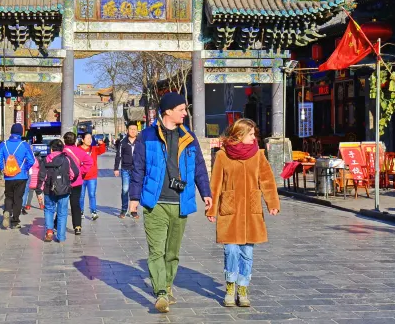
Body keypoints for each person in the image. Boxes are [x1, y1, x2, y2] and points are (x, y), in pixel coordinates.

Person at [129, 92, 212, 314]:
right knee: (156, 251)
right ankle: (161, 293)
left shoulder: (189, 136)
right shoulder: (147, 136)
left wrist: (206, 192)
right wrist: (134, 198)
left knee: (172, 252)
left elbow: (199, 167)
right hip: (155, 203)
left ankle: (166, 285)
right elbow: (138, 169)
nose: (185, 113)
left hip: (180, 202)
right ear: (168, 111)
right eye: (181, 109)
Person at [206, 118, 280, 308]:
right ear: (239, 135)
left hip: (250, 211)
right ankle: (230, 286)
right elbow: (215, 184)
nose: (254, 137)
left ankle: (243, 288)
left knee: (247, 252)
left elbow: (267, 180)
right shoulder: (222, 155)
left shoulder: (258, 155)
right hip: (229, 210)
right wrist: (211, 208)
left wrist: (272, 203)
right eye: (251, 134)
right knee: (230, 250)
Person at [35, 139, 79, 242]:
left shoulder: (46, 160)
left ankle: (49, 231)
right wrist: (68, 181)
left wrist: (39, 189)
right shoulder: (67, 159)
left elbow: (42, 176)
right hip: (64, 190)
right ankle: (61, 236)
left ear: (51, 149)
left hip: (48, 189)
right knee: (62, 212)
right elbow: (75, 173)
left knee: (49, 209)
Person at [0, 123, 35, 230]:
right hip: (21, 176)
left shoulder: (3, 144)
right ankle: (15, 221)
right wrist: (25, 169)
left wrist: (3, 168)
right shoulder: (24, 145)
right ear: (21, 133)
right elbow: (31, 160)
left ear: (11, 132)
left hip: (8, 176)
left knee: (8, 196)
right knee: (18, 198)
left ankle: (7, 211)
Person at [63, 132, 92, 235]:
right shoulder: (80, 151)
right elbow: (89, 162)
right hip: (77, 181)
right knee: (75, 204)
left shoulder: (62, 151)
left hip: (63, 182)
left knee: (62, 203)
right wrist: (81, 171)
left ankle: (57, 224)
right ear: (75, 140)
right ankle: (77, 226)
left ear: (64, 140)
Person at [114, 122, 140, 218]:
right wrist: (116, 168)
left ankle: (133, 210)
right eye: (131, 129)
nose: (133, 131)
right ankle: (124, 209)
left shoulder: (140, 142)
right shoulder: (123, 142)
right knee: (125, 189)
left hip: (137, 170)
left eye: (134, 129)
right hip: (125, 169)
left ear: (137, 131)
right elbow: (118, 155)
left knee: (135, 190)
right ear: (127, 130)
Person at [78, 133, 100, 221]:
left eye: (90, 138)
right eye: (87, 138)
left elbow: (102, 150)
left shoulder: (94, 149)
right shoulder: (78, 149)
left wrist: (102, 144)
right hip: (81, 177)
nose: (89, 140)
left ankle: (93, 212)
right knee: (81, 196)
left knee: (92, 195)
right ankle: (81, 212)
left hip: (92, 176)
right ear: (83, 140)